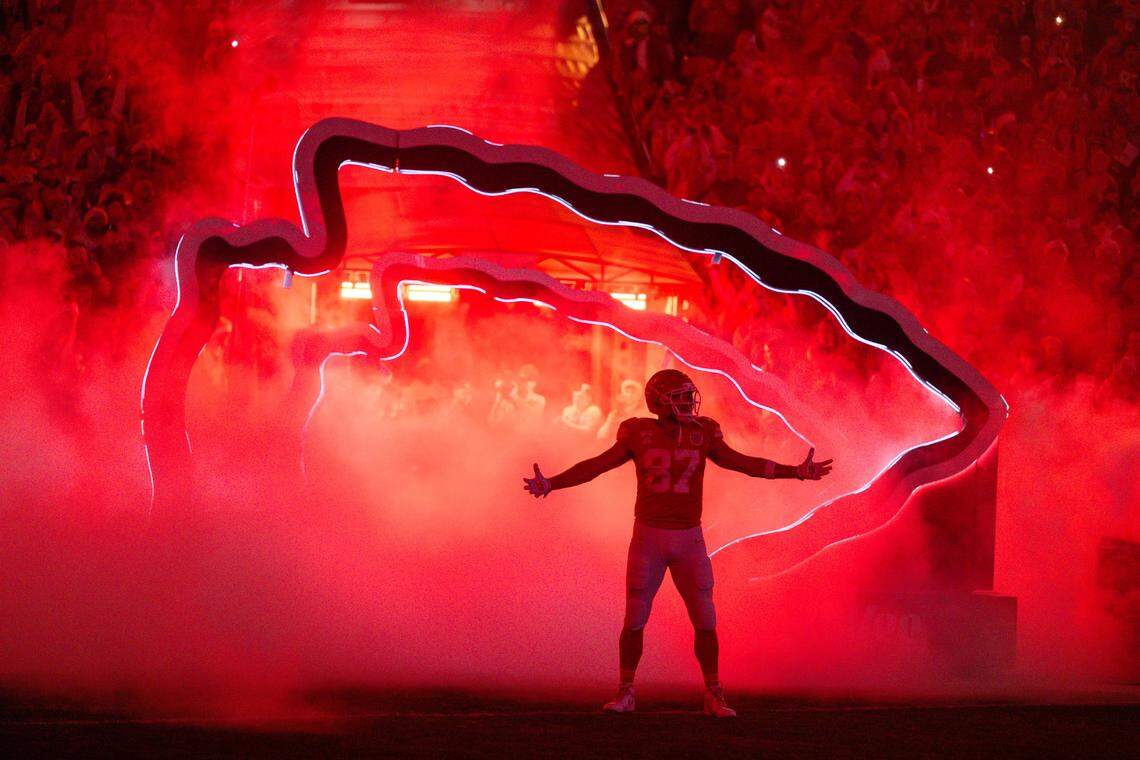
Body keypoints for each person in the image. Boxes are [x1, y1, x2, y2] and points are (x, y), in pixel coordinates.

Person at [522, 369, 832, 717]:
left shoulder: (705, 432)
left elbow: (743, 464)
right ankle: (626, 691)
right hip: (649, 536)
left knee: (705, 618)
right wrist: (552, 483)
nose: (688, 403)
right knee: (635, 616)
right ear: (659, 402)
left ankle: (713, 693)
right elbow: (597, 466)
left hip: (689, 536)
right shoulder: (637, 431)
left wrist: (796, 472)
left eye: (689, 396)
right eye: (680, 397)